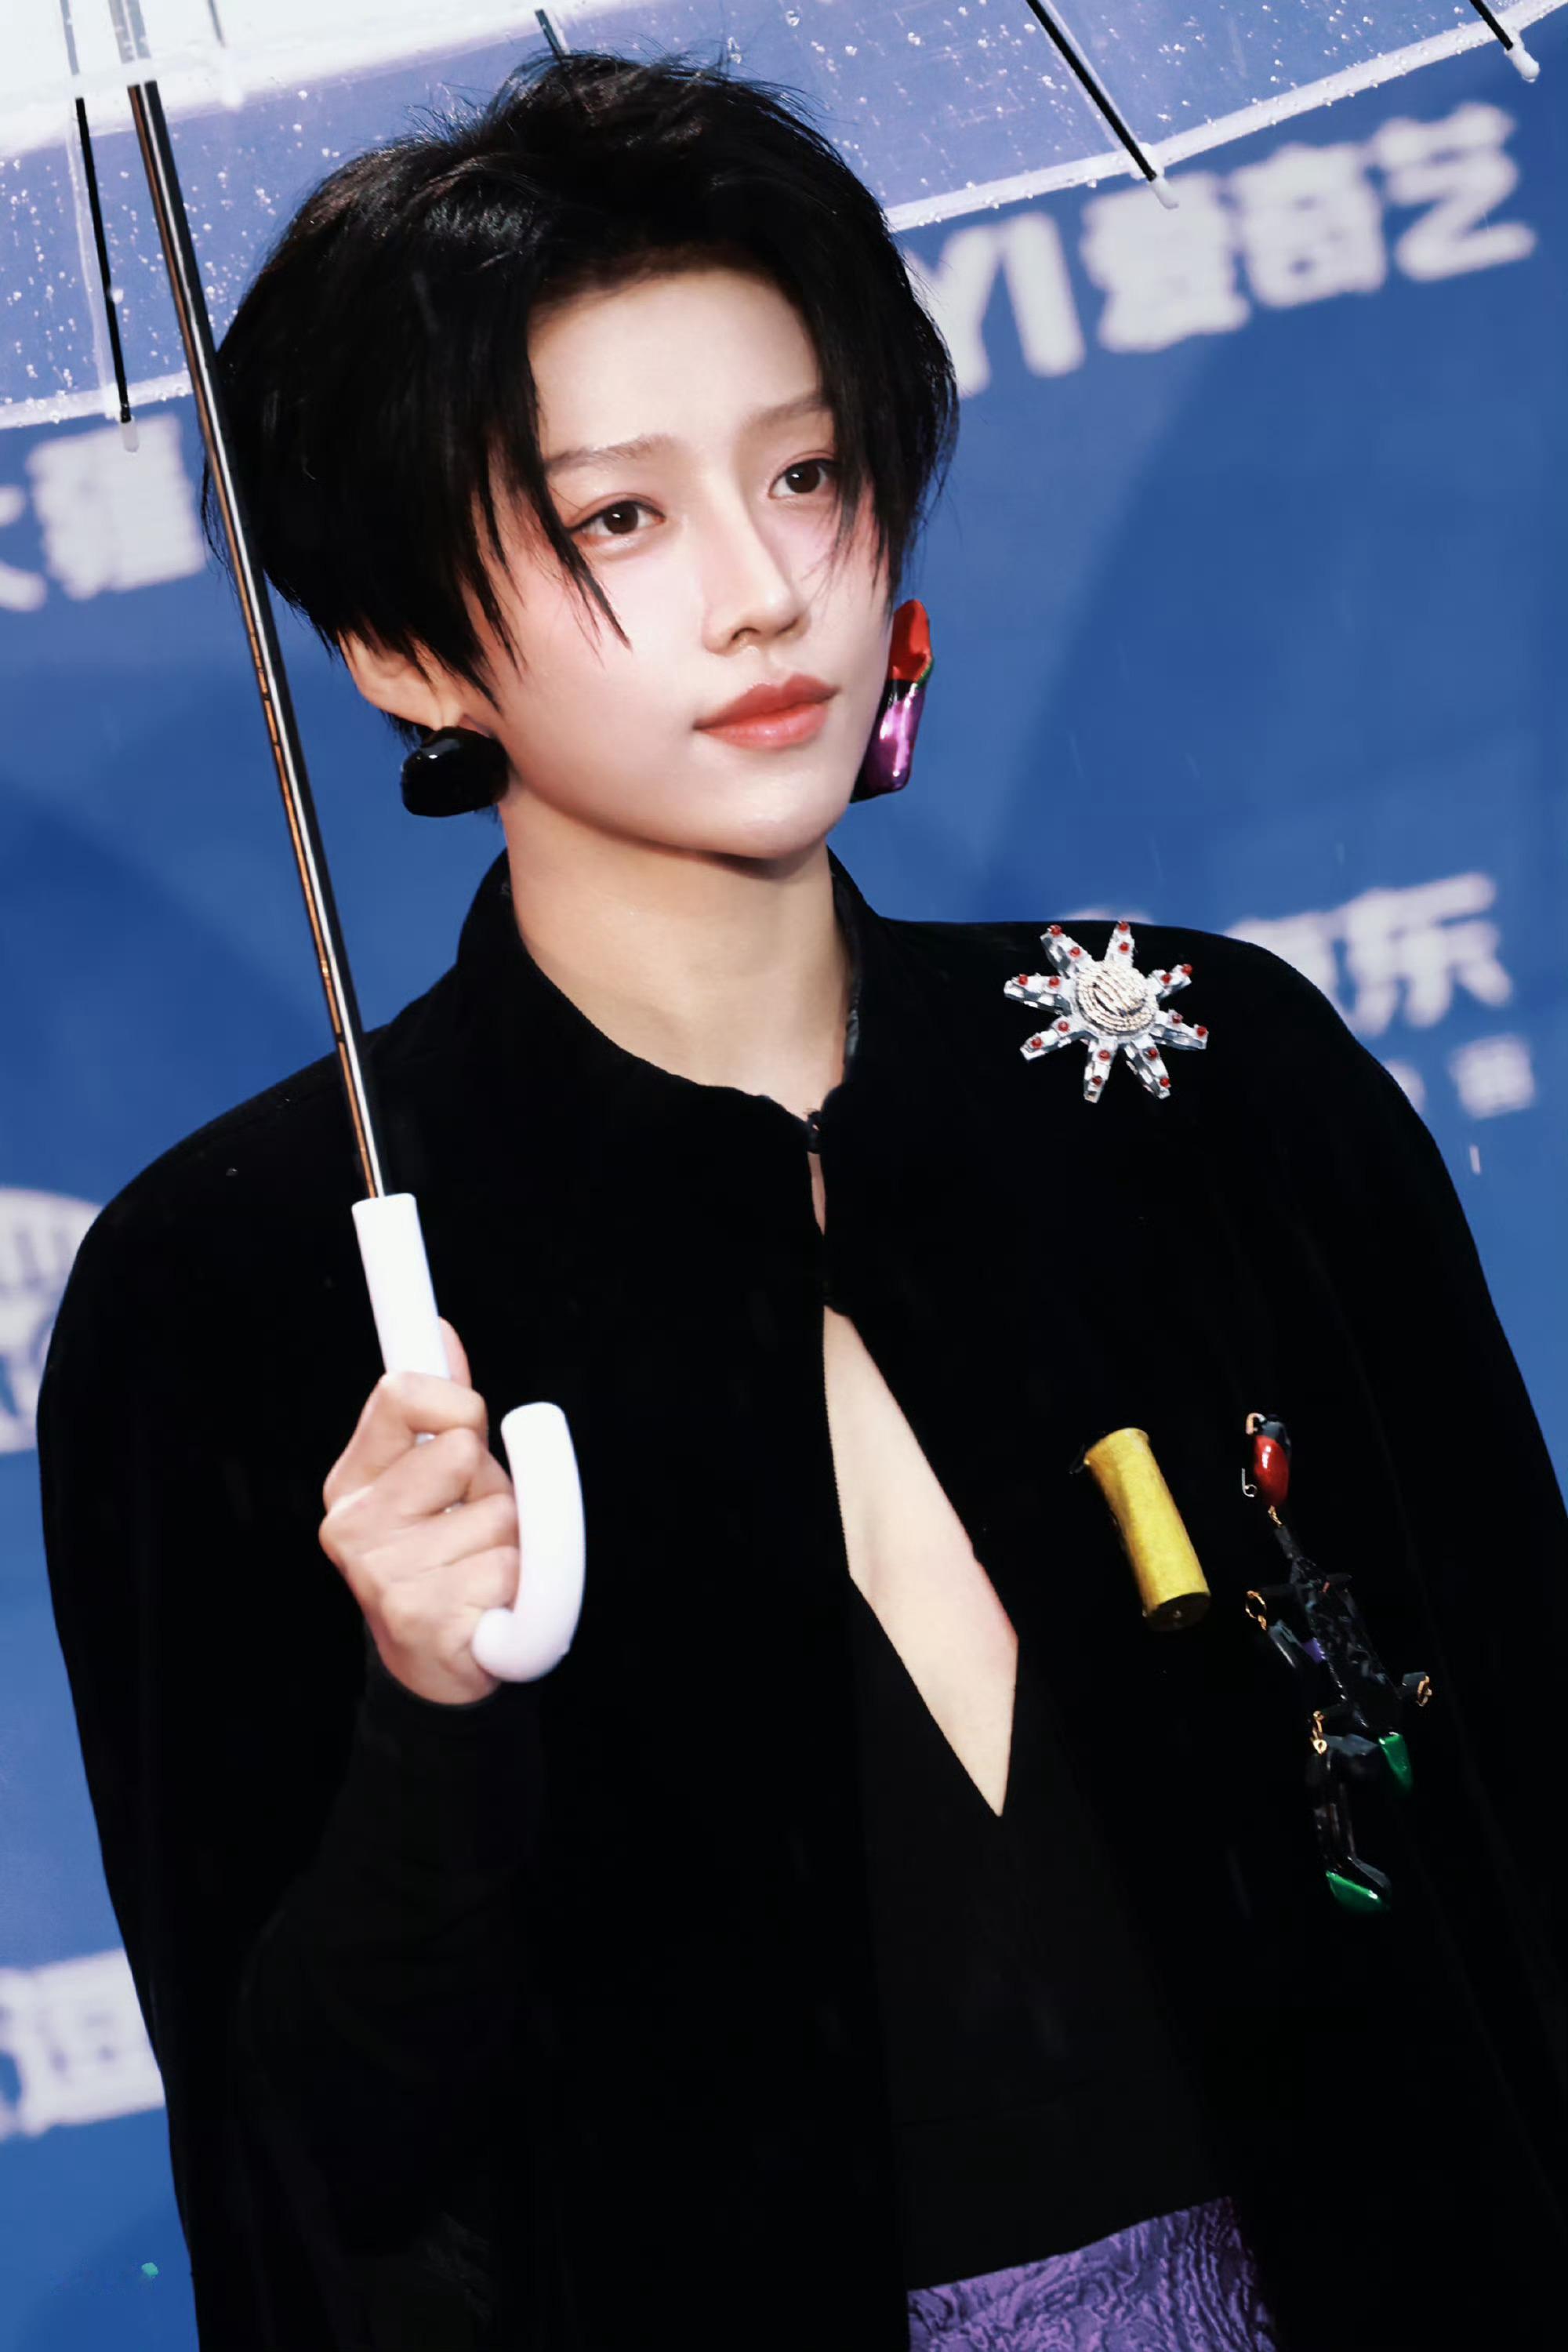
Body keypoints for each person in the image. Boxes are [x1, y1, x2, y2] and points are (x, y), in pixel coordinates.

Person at [36, 48, 1568, 2352]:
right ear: (401, 647)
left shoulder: (1206, 1080)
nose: (767, 595)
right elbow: (317, 2178)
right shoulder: (240, 1287)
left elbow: (1525, 1812)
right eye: (616, 522)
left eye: (809, 474)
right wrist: (429, 1718)